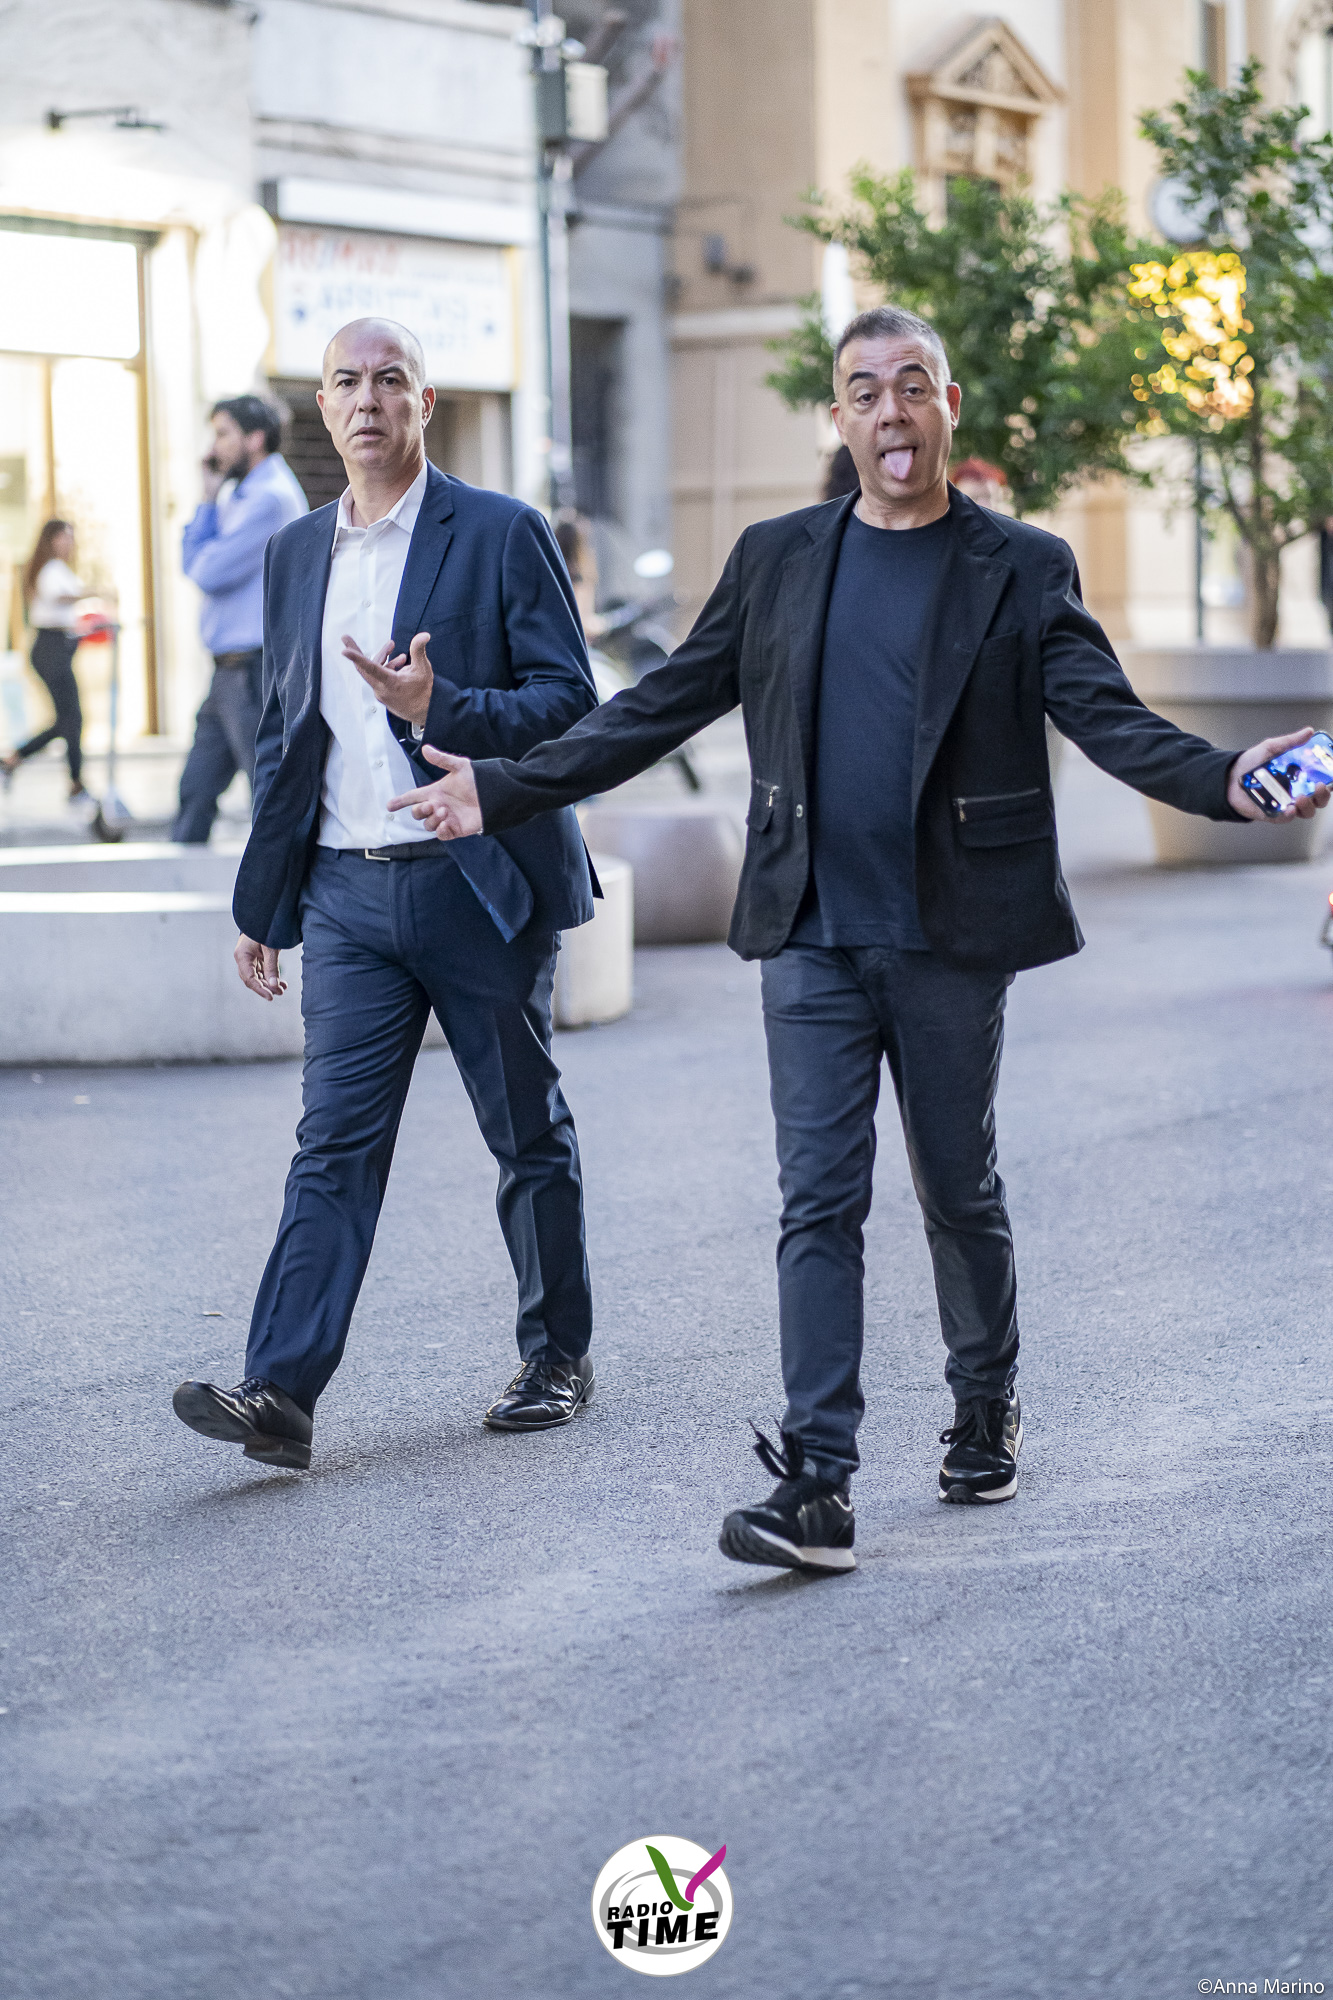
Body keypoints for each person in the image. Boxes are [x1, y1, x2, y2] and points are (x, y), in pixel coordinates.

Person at [387, 303, 1330, 1574]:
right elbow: (656, 706)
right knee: (816, 1201)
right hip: (811, 934)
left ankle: (983, 1402)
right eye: (866, 390)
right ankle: (817, 1480)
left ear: (947, 407)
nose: (891, 410)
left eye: (912, 385)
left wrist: (1225, 778)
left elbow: (1108, 717)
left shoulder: (1020, 565)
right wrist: (502, 785)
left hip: (950, 933)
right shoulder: (777, 557)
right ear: (838, 417)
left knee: (956, 1187)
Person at [171, 317, 600, 1472]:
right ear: (322, 407)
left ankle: (557, 1354)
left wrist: (439, 708)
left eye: (390, 380)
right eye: (347, 383)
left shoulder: (500, 532)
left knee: (524, 1130)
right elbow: (282, 735)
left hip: (476, 883)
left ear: (424, 401)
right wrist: (265, 900)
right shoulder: (293, 552)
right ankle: (280, 1390)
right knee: (331, 1147)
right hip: (346, 895)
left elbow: (569, 702)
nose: (368, 400)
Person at [172, 395, 307, 843]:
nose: (213, 447)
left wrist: (207, 510)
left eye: (223, 434)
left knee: (268, 795)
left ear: (255, 438)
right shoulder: (241, 496)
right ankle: (178, 884)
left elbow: (205, 571)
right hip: (229, 673)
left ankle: (280, 885)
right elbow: (197, 563)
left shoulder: (269, 499)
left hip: (254, 670)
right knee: (195, 790)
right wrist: (209, 500)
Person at [3, 520, 90, 801]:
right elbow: (59, 598)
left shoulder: (60, 569)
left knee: (69, 719)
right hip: (50, 647)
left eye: (70, 537)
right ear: (51, 540)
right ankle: (75, 782)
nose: (68, 543)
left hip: (59, 645)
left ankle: (14, 759)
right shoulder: (50, 569)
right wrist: (95, 592)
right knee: (71, 718)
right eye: (63, 537)